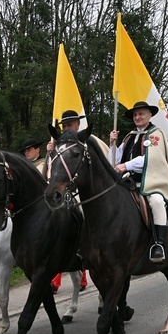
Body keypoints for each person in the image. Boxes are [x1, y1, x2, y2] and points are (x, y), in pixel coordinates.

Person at [110, 101, 168, 263]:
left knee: (155, 201)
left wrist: (126, 166)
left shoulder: (156, 134)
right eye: (135, 115)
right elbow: (114, 161)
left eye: (141, 114)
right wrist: (112, 144)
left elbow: (151, 158)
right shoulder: (129, 137)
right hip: (127, 183)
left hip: (150, 182)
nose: (137, 117)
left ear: (150, 115)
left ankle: (159, 244)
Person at [47, 110, 101, 292]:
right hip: (64, 188)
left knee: (82, 212)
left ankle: (86, 248)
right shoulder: (58, 145)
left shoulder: (88, 140)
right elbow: (50, 172)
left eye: (71, 124)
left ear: (78, 124)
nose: (67, 127)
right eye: (65, 125)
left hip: (82, 188)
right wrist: (49, 154)